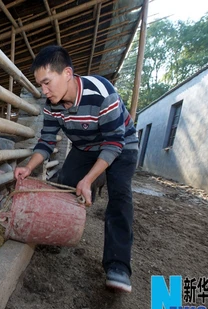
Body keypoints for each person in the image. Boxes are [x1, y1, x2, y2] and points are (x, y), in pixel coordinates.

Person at [14, 45, 139, 293]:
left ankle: (118, 266)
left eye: (47, 82)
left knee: (120, 196)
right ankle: (61, 232)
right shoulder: (51, 104)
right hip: (85, 147)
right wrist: (28, 168)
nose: (44, 90)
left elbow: (114, 142)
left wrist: (89, 179)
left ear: (68, 74)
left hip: (122, 145)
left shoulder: (102, 93)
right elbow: (47, 141)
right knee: (66, 180)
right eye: (40, 84)